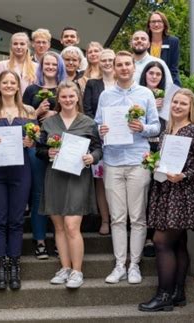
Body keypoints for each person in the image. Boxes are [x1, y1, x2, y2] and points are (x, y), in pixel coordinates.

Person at [138, 88, 194, 311]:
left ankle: (163, 297)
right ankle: (178, 293)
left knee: (161, 242)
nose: (178, 106)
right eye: (175, 102)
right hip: (166, 191)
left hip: (184, 194)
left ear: (191, 108)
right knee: (178, 243)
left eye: (183, 103)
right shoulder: (167, 131)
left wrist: (185, 175)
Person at [94, 51, 160, 285]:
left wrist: (141, 127)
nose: (123, 68)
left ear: (134, 68)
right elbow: (97, 123)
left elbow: (156, 127)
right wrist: (100, 129)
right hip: (112, 161)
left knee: (138, 217)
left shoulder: (145, 94)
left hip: (137, 161)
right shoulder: (105, 95)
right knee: (117, 218)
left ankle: (135, 265)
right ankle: (119, 265)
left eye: (127, 64)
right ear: (113, 68)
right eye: (119, 64)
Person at [36, 80, 102, 289]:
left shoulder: (88, 122)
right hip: (55, 177)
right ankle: (64, 268)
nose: (67, 100)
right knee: (59, 226)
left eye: (71, 96)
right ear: (58, 98)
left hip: (77, 178)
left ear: (77, 98)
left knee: (72, 226)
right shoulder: (48, 122)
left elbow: (99, 149)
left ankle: (77, 271)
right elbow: (38, 150)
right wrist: (48, 152)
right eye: (63, 97)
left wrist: (93, 157)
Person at [0, 71, 36, 291]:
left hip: (21, 171)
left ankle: (14, 265)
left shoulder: (29, 111)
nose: (8, 85)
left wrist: (30, 141)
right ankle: (0, 267)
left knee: (15, 220)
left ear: (18, 86)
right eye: (4, 82)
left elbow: (35, 141)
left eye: (12, 82)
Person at [23, 51, 67, 260]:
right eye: (46, 63)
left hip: (63, 146)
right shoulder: (31, 89)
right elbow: (22, 117)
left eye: (54, 64)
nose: (50, 67)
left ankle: (60, 240)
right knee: (38, 193)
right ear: (41, 66)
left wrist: (55, 115)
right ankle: (40, 240)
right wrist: (37, 111)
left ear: (59, 67)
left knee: (60, 192)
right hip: (37, 147)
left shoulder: (65, 89)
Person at [83, 49, 116, 236]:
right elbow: (87, 111)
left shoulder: (125, 84)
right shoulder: (92, 84)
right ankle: (105, 220)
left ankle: (119, 219)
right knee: (101, 182)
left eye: (111, 59)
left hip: (122, 143)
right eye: (104, 60)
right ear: (98, 62)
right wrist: (98, 132)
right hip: (100, 140)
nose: (107, 63)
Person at [139, 61, 169, 258]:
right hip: (142, 147)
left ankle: (154, 234)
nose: (154, 77)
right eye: (151, 73)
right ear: (145, 75)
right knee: (143, 193)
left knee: (157, 192)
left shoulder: (169, 97)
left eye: (158, 74)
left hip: (162, 147)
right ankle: (144, 237)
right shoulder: (137, 95)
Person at [146, 11, 181, 86]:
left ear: (164, 24)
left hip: (165, 82)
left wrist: (176, 88)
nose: (156, 24)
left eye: (159, 21)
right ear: (149, 25)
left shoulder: (173, 42)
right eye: (153, 22)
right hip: (146, 84)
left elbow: (173, 69)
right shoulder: (144, 41)